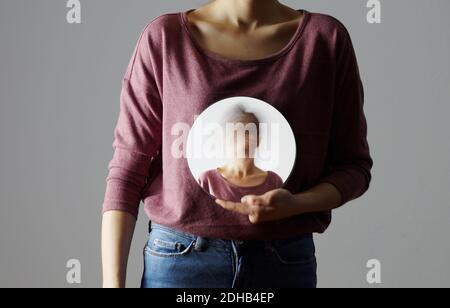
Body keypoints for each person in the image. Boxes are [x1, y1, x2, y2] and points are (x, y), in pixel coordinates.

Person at [102, 0, 373, 288]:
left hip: (282, 263)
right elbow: (128, 170)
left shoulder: (324, 40)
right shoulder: (165, 38)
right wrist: (112, 284)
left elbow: (354, 167)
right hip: (179, 261)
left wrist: (296, 204)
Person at [198, 104, 284, 201]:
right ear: (224, 140)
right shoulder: (208, 180)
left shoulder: (274, 182)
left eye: (247, 132)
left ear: (258, 141)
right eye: (235, 133)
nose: (242, 139)